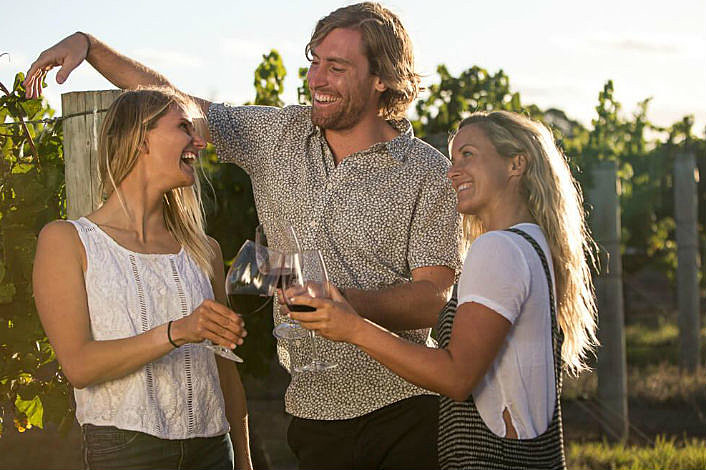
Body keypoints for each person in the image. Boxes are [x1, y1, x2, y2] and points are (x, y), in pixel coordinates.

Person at [25, 4, 461, 468]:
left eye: (337, 67)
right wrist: (89, 46)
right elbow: (174, 106)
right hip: (311, 409)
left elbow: (434, 296)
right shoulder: (278, 135)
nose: (317, 78)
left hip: (404, 406)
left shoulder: (428, 171)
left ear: (382, 79)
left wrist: (346, 305)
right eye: (314, 60)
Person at [289, 111, 599, 470]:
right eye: (452, 159)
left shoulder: (496, 249)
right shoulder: (535, 246)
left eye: (468, 155)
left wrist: (353, 328)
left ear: (516, 164)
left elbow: (456, 378)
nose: (452, 172)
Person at [32, 87, 253, 470]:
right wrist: (176, 332)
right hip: (126, 452)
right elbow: (79, 366)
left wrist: (245, 461)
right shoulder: (67, 241)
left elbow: (225, 370)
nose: (198, 142)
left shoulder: (205, 251)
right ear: (140, 139)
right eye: (184, 127)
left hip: (214, 450)